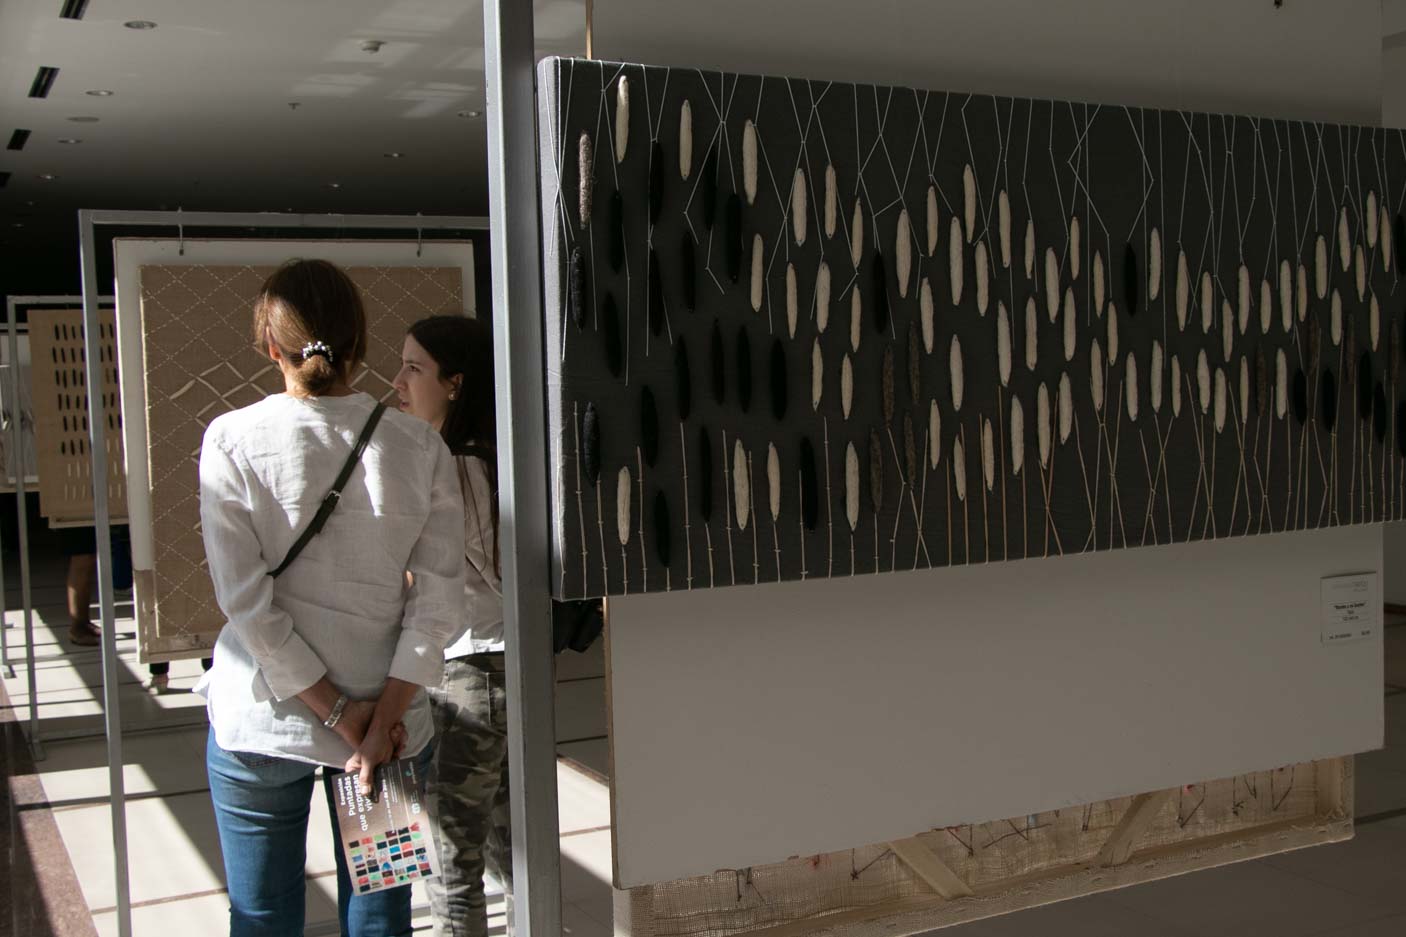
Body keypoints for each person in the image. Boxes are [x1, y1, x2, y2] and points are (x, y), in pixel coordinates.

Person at [198, 259, 466, 937]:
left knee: (262, 917)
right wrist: (375, 725)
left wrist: (339, 715)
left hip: (265, 724)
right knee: (380, 914)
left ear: (271, 347)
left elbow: (246, 604)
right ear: (360, 344)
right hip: (389, 729)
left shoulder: (230, 440)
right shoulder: (419, 446)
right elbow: (438, 601)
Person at [392, 315, 511, 937]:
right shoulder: (481, 458)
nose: (398, 382)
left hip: (473, 668)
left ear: (455, 383)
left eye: (414, 368)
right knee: (502, 841)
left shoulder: (462, 467)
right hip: (490, 662)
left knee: (451, 855)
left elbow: (486, 573)